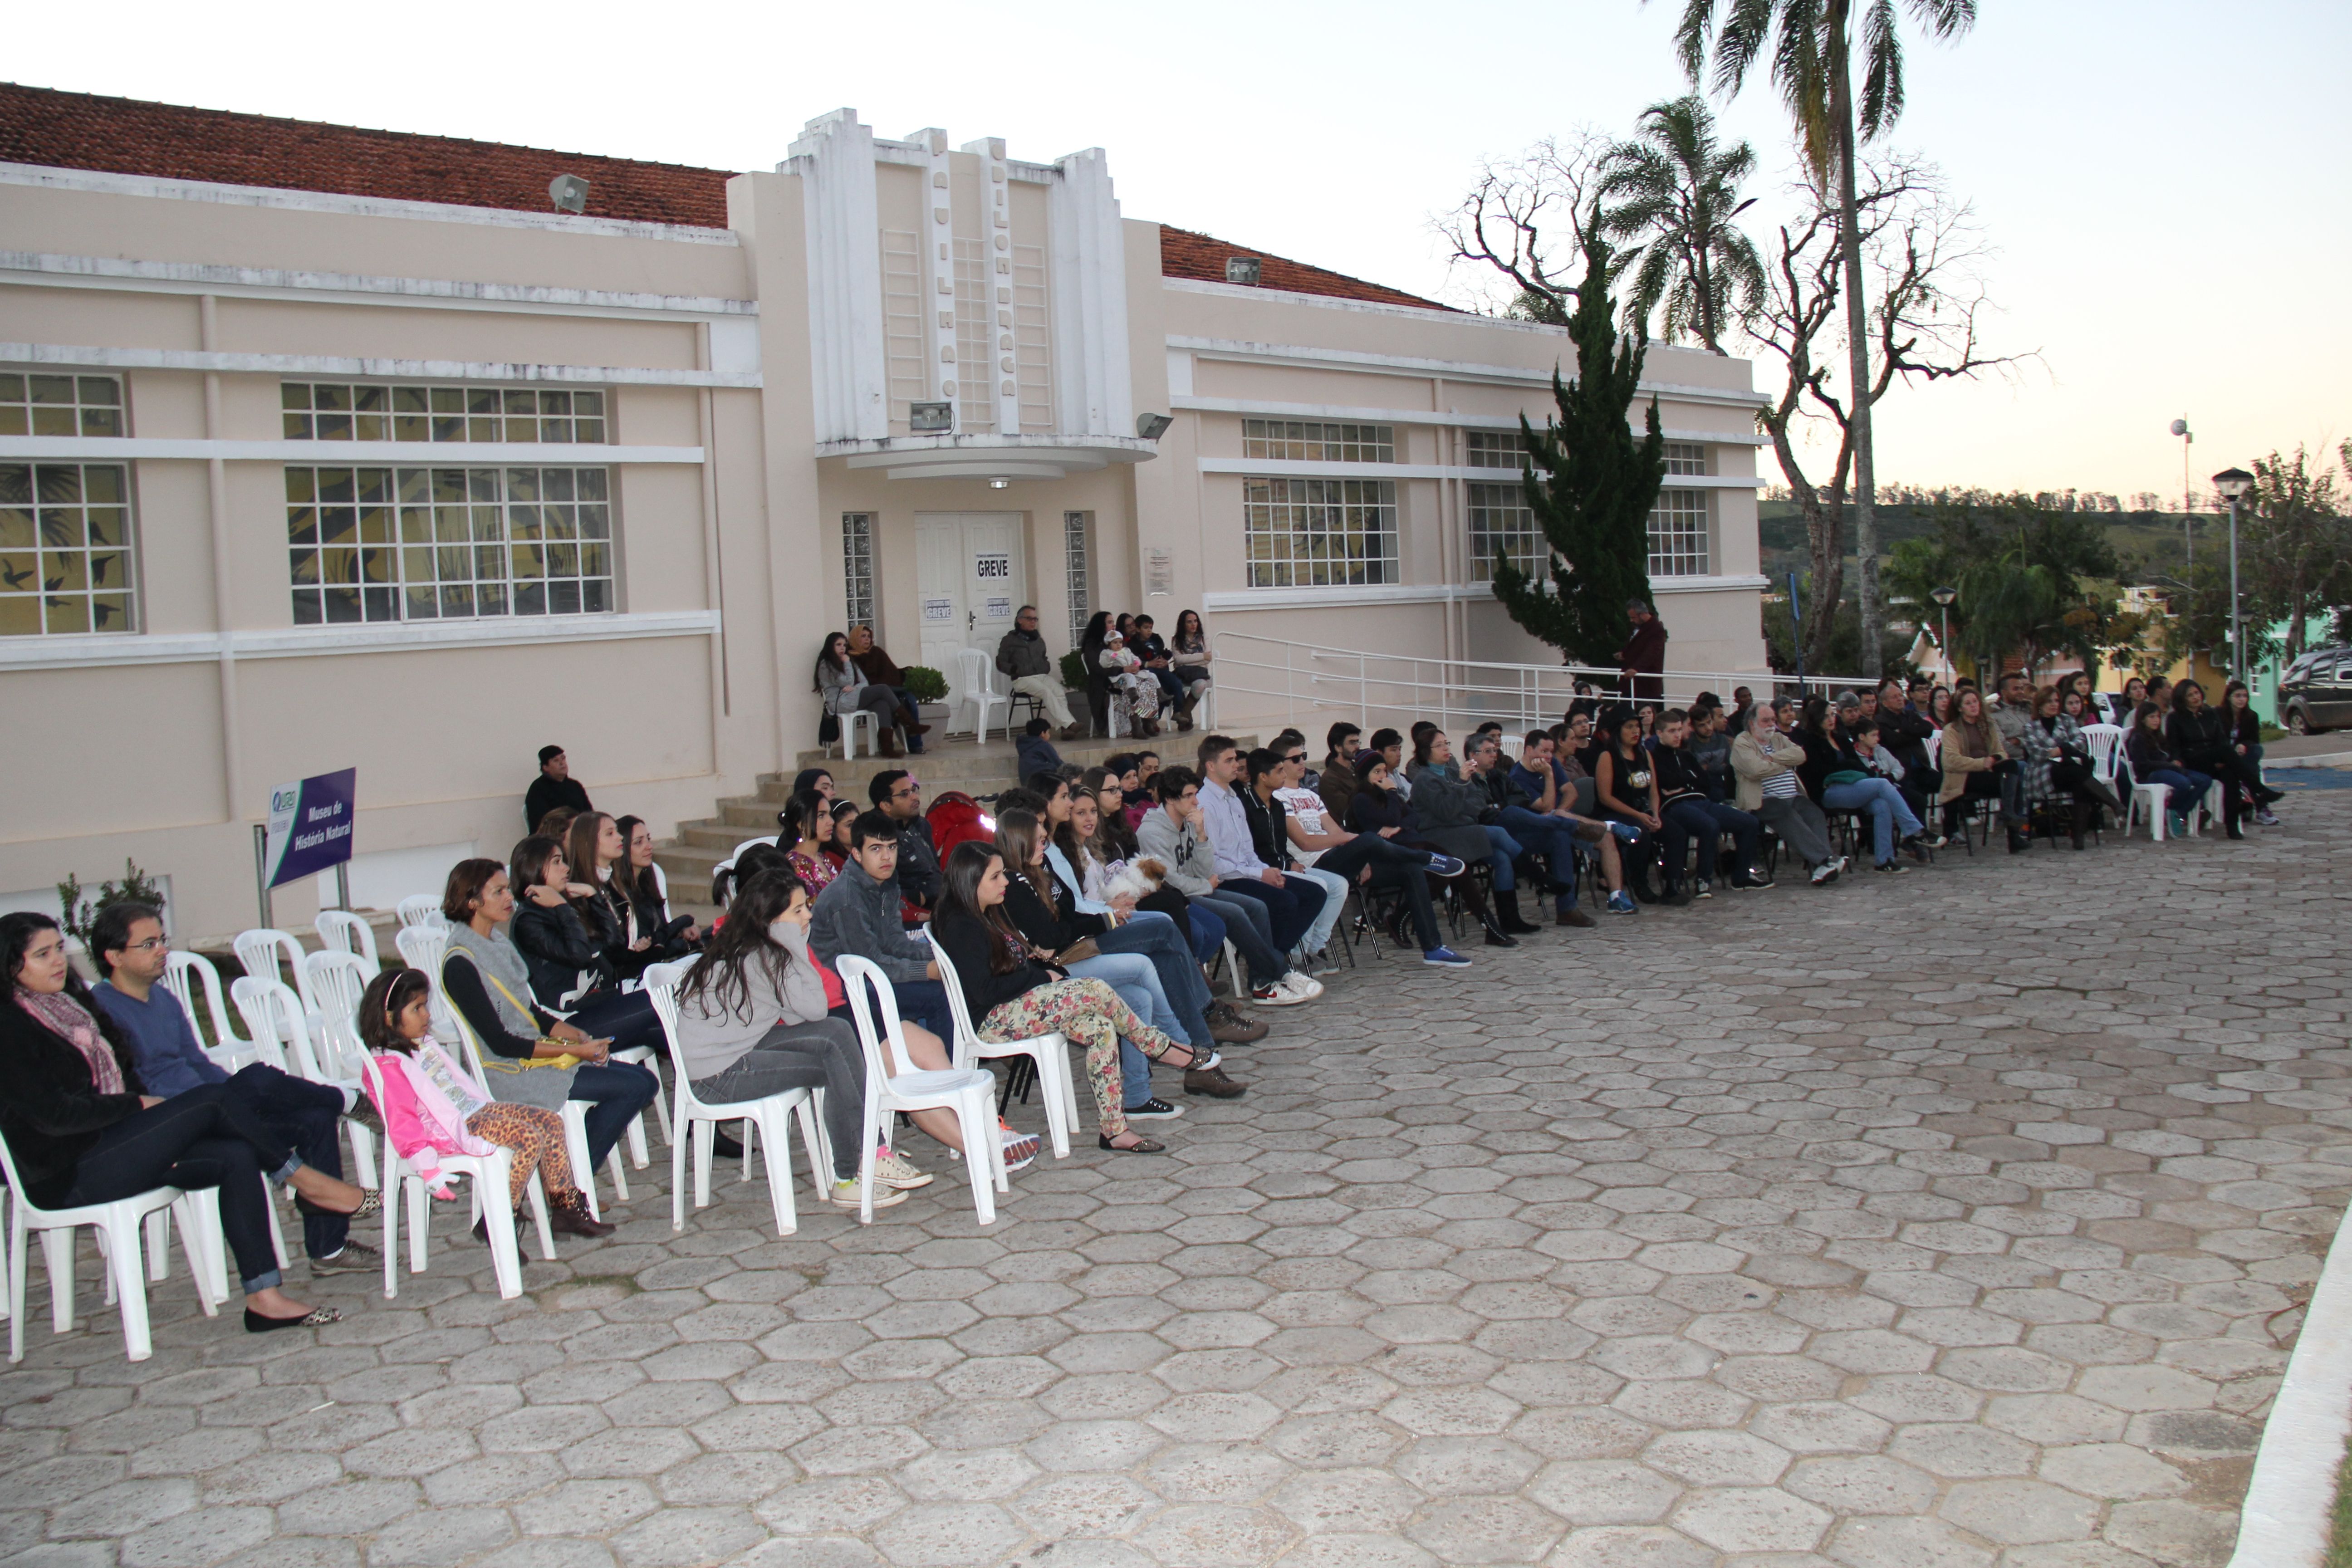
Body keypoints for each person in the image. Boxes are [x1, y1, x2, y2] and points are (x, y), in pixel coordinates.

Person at [0, 911, 373, 1332]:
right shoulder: (11, 1026)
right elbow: (54, 1117)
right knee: (215, 1100)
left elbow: (124, 1073)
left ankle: (264, 1299)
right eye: (42, 955)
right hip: (66, 1171)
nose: (58, 961)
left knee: (236, 1154)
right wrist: (135, 1106)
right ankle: (307, 1181)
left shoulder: (70, 1006)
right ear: (11, 964)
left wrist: (151, 1123)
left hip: (112, 1145)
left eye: (59, 950)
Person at [88, 902, 377, 1277]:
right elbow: (131, 1088)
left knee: (314, 1117)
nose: (162, 951)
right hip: (172, 1125)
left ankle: (329, 1249)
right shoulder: (102, 1012)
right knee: (258, 1079)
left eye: (162, 940)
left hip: (214, 1109)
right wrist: (225, 1098)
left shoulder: (163, 999)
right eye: (148, 944)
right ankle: (348, 1100)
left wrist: (232, 1099)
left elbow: (197, 1062)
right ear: (114, 957)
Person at [675, 868, 935, 1209]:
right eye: (798, 910)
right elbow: (815, 1008)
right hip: (716, 1077)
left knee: (837, 1040)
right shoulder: (766, 955)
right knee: (837, 1056)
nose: (809, 915)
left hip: (738, 1052)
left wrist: (791, 941)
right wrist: (795, 944)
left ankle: (865, 1161)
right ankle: (858, 1168)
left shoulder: (754, 945)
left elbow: (804, 1016)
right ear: (772, 920)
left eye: (806, 907)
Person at [933, 842, 1211, 1155]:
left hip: (1019, 1003)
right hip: (993, 1020)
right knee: (1096, 989)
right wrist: (1041, 977)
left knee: (1101, 1028)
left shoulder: (986, 913)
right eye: (996, 877)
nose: (1006, 881)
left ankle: (1115, 1131)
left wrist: (1034, 966)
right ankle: (1159, 1047)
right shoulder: (962, 926)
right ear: (971, 881)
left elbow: (1006, 967)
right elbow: (984, 991)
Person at [995, 807, 1245, 1106]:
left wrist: (1087, 923)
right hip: (1060, 964)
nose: (1044, 845)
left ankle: (1139, 1096)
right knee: (1157, 941)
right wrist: (1103, 921)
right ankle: (1185, 1039)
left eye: (1045, 839)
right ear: (1020, 842)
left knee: (1149, 983)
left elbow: (1066, 916)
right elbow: (1051, 937)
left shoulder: (1041, 866)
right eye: (1039, 840)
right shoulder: (1013, 884)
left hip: (1077, 943)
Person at [439, 857, 661, 1178]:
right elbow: (501, 1043)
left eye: (507, 889)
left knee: (645, 1081)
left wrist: (578, 1037)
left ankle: (564, 1174)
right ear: (472, 901)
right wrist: (577, 1050)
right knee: (633, 1087)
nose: (509, 897)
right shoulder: (461, 962)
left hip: (536, 1056)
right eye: (499, 891)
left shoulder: (495, 942)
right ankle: (566, 1183)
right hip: (511, 1071)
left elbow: (531, 1013)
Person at [361, 966, 613, 1238]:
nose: (427, 1015)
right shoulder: (389, 1064)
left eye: (425, 1006)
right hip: (447, 1130)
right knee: (528, 1138)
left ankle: (566, 1209)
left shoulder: (420, 1044)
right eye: (417, 1009)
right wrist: (426, 1165)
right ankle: (498, 1222)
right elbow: (401, 1118)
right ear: (389, 1018)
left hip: (472, 1111)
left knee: (550, 1121)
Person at [1137, 769, 1322, 1006]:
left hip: (1199, 887)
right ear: (1170, 799)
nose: (1196, 801)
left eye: (1196, 794)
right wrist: (1205, 885)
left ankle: (1262, 983)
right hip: (1175, 897)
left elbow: (1205, 869)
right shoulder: (1151, 832)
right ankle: (1282, 973)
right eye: (1189, 796)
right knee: (1234, 913)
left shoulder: (1190, 823)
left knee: (1257, 907)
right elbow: (1171, 880)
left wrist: (1201, 836)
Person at [505, 834, 668, 1058]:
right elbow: (580, 957)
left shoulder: (559, 908)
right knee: (662, 1002)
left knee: (671, 1027)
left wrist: (592, 896)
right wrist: (562, 906)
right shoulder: (529, 922)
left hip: (599, 1001)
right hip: (569, 1022)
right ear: (534, 868)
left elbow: (614, 945)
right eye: (557, 862)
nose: (566, 868)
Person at [809, 810, 958, 1044]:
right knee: (938, 996)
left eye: (892, 847)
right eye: (876, 849)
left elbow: (895, 942)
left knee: (950, 978)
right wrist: (926, 970)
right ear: (857, 854)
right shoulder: (847, 898)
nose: (887, 857)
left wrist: (940, 956)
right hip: (845, 989)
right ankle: (943, 1064)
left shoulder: (886, 884)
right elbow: (869, 963)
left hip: (872, 973)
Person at [1343, 754, 1514, 947]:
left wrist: (1399, 827)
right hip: (1393, 852)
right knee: (1444, 874)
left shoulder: (1388, 795)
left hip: (1414, 844)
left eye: (1384, 771)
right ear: (1365, 776)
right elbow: (1390, 818)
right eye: (1377, 772)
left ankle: (1489, 926)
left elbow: (1414, 817)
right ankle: (1489, 927)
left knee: (1457, 869)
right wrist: (1392, 793)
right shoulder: (1362, 800)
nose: (1383, 776)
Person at [1195, 735, 1331, 966]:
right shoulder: (1205, 803)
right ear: (1211, 766)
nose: (1236, 765)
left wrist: (1268, 872)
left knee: (1315, 893)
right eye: (1229, 760)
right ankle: (1270, 966)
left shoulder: (1234, 799)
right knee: (1285, 902)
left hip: (1247, 873)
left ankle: (1270, 962)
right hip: (1225, 880)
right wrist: (1260, 874)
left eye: (1235, 759)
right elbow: (1214, 864)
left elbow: (1248, 851)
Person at [1401, 729, 1544, 934]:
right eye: (1440, 745)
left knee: (1502, 858)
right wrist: (1461, 786)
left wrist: (1461, 804)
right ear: (1426, 751)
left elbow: (1479, 801)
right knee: (1498, 833)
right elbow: (1447, 812)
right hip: (1439, 837)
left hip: (1462, 830)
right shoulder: (1424, 779)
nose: (1446, 748)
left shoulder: (1452, 772)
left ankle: (1510, 919)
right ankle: (1540, 877)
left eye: (1447, 743)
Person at [1463, 732, 1592, 922]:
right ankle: (1572, 825)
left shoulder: (1499, 777)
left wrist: (1498, 807)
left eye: (1495, 751)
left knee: (1559, 836)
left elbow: (1522, 797)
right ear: (1473, 755)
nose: (1494, 755)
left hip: (1513, 837)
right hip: (1485, 837)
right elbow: (1480, 813)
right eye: (1488, 751)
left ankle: (1567, 909)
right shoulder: (1464, 781)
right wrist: (1501, 808)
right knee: (1510, 813)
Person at [1796, 697, 1930, 873]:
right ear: (1816, 719)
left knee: (1882, 805)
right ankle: (1915, 831)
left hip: (1853, 787)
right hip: (1827, 791)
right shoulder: (1811, 743)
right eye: (1826, 716)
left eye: (1832, 715)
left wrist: (1856, 770)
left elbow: (1857, 766)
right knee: (1882, 784)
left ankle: (1885, 860)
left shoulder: (1841, 740)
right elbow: (1819, 772)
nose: (1831, 719)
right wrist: (1847, 767)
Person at [1509, 730, 1631, 921]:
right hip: (1537, 830)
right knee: (1558, 827)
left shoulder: (1552, 763)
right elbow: (1546, 806)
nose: (1549, 757)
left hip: (1565, 821)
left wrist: (1560, 814)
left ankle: (1617, 897)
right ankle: (1609, 825)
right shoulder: (1517, 777)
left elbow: (1572, 792)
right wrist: (1549, 776)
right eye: (1544, 751)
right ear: (1530, 750)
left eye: (1551, 751)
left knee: (1605, 838)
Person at [1650, 710, 1767, 899]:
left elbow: (1704, 783)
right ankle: (1703, 880)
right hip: (1675, 806)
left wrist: (1682, 783)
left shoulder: (1686, 756)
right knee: (1709, 825)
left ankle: (1741, 876)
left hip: (1702, 801)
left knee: (1749, 822)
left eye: (1679, 730)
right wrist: (1687, 781)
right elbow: (1666, 783)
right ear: (1659, 733)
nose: (1678, 735)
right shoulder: (1653, 758)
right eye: (1672, 731)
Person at [1731, 703, 1846, 885]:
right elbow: (1755, 770)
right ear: (1752, 723)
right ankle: (1826, 860)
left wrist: (1772, 758)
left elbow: (1800, 755)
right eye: (1766, 721)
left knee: (1815, 813)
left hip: (1793, 796)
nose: (1771, 724)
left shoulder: (1778, 738)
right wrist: (1784, 764)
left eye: (1773, 720)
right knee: (1785, 813)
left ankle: (1821, 867)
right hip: (1762, 800)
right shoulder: (1743, 742)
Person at [2169, 678, 2281, 840]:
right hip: (2192, 760)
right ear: (2182, 699)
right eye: (2190, 695)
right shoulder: (2175, 718)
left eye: (2197, 693)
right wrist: (2177, 759)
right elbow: (2174, 746)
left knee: (2231, 775)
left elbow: (2221, 739)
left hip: (2215, 759)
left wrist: (2223, 760)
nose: (2195, 697)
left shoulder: (2210, 713)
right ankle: (2258, 789)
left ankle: (2232, 826)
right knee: (2225, 751)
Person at [2024, 685, 2123, 848]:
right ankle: (2112, 804)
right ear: (2040, 705)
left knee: (2079, 782)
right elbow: (2036, 753)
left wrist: (2061, 750)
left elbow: (2080, 742)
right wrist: (2061, 751)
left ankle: (2079, 836)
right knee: (2076, 773)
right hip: (2042, 771)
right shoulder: (2030, 727)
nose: (2054, 704)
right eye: (2049, 701)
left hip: (2067, 768)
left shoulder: (2067, 720)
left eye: (2057, 701)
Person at [1591, 710, 1669, 906]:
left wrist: (1655, 814)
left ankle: (1673, 883)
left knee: (1674, 831)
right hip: (1613, 813)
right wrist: (1639, 816)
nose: (1636, 731)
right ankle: (1639, 882)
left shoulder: (1645, 754)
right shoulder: (1607, 757)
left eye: (1638, 727)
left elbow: (1653, 790)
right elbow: (1605, 797)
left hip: (1642, 810)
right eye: (1630, 727)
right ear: (1618, 731)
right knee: (1640, 832)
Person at [612, 816, 700, 965]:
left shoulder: (647, 882)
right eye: (639, 843)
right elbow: (650, 939)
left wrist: (682, 931)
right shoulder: (619, 893)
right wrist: (682, 923)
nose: (649, 846)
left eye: (648, 839)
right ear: (623, 848)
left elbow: (662, 931)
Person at [1938, 688, 2019, 849]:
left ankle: (2010, 819)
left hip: (1989, 773)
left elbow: (2001, 751)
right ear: (1960, 708)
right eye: (1968, 703)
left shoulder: (1987, 726)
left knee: (2013, 766)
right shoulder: (1952, 730)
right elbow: (1951, 761)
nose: (1974, 706)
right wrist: (1982, 763)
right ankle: (2013, 828)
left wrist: (1994, 759)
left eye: (1975, 702)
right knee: (2009, 781)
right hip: (1965, 776)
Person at [814, 631, 909, 760]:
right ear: (830, 646)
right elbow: (847, 682)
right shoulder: (826, 665)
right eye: (838, 645)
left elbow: (865, 682)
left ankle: (886, 748)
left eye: (844, 645)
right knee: (883, 689)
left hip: (852, 697)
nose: (842, 648)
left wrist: (855, 688)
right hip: (840, 703)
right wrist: (847, 664)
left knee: (883, 705)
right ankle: (908, 722)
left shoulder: (850, 661)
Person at [2125, 701, 2211, 839]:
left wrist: (2176, 761)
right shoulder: (2138, 738)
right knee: (2184, 783)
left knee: (2205, 781)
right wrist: (2169, 766)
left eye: (2158, 717)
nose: (2156, 720)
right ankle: (2173, 810)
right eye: (2152, 717)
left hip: (2169, 770)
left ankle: (2178, 812)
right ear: (2142, 719)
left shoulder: (2159, 737)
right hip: (2150, 774)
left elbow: (2169, 755)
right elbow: (2141, 764)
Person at [996, 605, 1084, 738]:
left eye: (1035, 619)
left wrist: (1045, 667)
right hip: (1022, 679)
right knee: (1045, 692)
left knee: (1059, 692)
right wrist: (1015, 670)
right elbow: (1001, 662)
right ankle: (1070, 724)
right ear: (1020, 620)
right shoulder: (1009, 640)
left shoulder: (1038, 640)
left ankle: (1065, 729)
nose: (1033, 622)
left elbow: (1044, 658)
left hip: (1041, 676)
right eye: (1029, 619)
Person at [846, 624, 926, 754]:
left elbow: (891, 672)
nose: (867, 639)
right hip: (873, 693)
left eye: (869, 637)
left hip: (892, 689)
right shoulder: (850, 658)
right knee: (886, 700)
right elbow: (858, 680)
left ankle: (916, 745)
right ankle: (904, 731)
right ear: (855, 638)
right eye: (863, 636)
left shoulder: (877, 652)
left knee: (910, 700)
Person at [869, 769, 943, 910]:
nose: (915, 797)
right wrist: (919, 897)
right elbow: (878, 888)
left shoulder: (921, 825)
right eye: (905, 794)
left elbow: (934, 869)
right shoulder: (874, 834)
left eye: (914, 790)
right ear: (886, 805)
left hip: (940, 902)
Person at [2222, 680, 2281, 827]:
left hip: (2243, 757)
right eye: (2238, 696)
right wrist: (2232, 748)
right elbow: (2216, 739)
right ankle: (2262, 806)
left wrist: (2244, 745)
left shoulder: (2252, 716)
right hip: (2224, 756)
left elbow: (2254, 740)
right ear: (2229, 697)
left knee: (2256, 751)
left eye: (2245, 696)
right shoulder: (2218, 714)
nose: (2242, 700)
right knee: (2252, 769)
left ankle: (2247, 787)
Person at [1097, 627, 1162, 737]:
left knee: (1148, 683)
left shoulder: (1126, 651)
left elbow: (1135, 659)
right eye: (1115, 643)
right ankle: (1136, 725)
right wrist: (1112, 658)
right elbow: (1104, 665)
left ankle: (1147, 720)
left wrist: (1136, 665)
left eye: (1120, 642)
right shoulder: (1106, 654)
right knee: (1132, 686)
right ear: (1109, 644)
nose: (1118, 645)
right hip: (1118, 679)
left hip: (1132, 677)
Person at [777, 791, 837, 898]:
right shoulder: (795, 865)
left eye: (830, 814)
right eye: (821, 816)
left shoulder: (824, 860)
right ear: (801, 823)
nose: (831, 821)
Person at [525, 745, 591, 833]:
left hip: (579, 833)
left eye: (563, 759)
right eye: (556, 761)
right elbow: (541, 823)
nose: (562, 763)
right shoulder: (538, 789)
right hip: (553, 835)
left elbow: (589, 812)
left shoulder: (575, 786)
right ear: (546, 767)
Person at [1168, 609, 1213, 730]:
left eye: (1195, 621)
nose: (1194, 624)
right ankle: (1186, 720)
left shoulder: (1203, 639)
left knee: (1200, 685)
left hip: (1200, 674)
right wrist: (1202, 656)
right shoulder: (1177, 640)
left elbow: (1208, 659)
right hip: (1183, 674)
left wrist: (1187, 660)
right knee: (1176, 684)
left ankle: (1183, 716)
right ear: (1183, 624)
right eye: (1189, 622)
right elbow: (1178, 659)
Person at [1615, 600, 1668, 701]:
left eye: (1633, 618)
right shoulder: (1637, 627)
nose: (1631, 621)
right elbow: (1636, 646)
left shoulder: (1656, 629)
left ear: (1642, 615)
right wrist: (1624, 654)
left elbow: (1652, 652)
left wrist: (1636, 668)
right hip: (1631, 684)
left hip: (1645, 685)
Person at [1317, 723, 1364, 825]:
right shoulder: (1329, 780)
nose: (1357, 747)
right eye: (1352, 743)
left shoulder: (1361, 769)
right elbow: (1351, 812)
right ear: (1338, 748)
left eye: (1358, 742)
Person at [1015, 717, 1064, 784]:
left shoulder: (1024, 744)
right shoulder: (1043, 745)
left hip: (1025, 781)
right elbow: (1058, 763)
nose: (1049, 735)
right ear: (1043, 734)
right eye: (1048, 733)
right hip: (1041, 779)